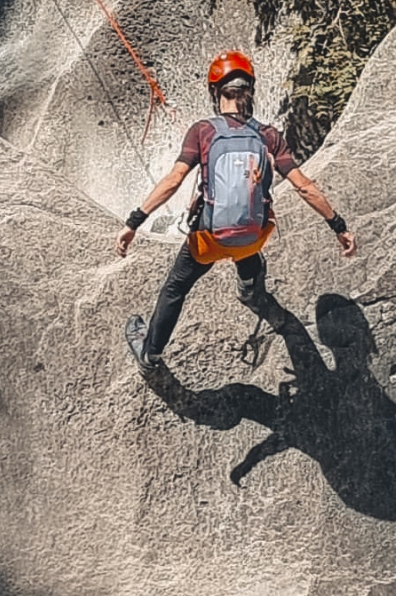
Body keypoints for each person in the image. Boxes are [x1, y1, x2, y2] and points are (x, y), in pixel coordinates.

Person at [118, 50, 355, 370]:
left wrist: (135, 221)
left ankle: (151, 354)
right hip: (254, 236)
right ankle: (250, 290)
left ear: (215, 92)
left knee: (176, 287)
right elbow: (304, 186)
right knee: (248, 247)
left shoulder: (202, 131)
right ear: (250, 91)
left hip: (208, 240)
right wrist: (338, 226)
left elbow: (174, 180)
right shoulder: (269, 135)